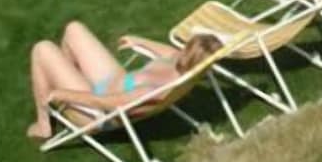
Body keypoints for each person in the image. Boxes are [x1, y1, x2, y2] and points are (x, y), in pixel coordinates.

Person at [27, 19, 222, 139]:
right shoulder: (185, 68)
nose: (180, 50)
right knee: (74, 29)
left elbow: (103, 103)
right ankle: (66, 76)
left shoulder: (156, 90)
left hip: (95, 114)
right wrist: (140, 41)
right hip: (112, 83)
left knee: (43, 49)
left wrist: (63, 94)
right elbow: (169, 53)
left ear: (188, 51)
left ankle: (44, 125)